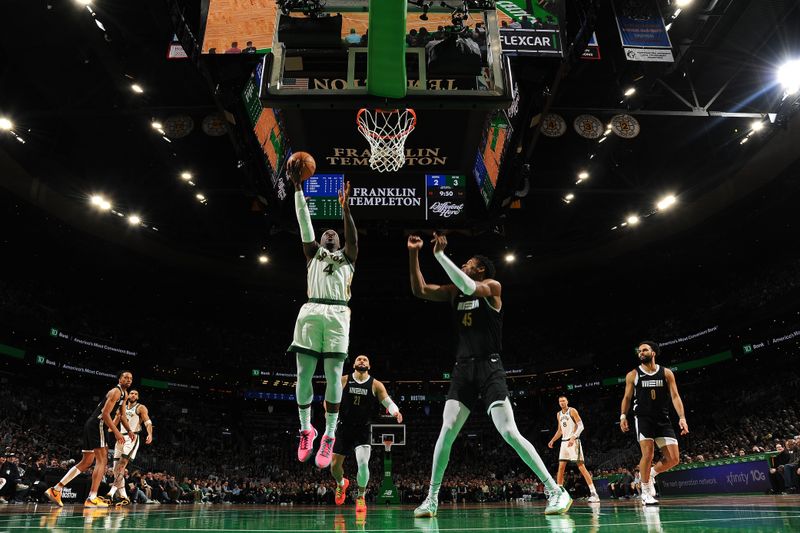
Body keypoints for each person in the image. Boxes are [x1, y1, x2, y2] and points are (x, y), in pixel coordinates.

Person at [408, 233, 571, 517]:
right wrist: (414, 254)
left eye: (468, 262)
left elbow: (470, 286)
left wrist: (439, 256)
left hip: (490, 366)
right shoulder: (454, 292)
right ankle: (431, 498)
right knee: (446, 432)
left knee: (508, 431)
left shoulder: (492, 287)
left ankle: (555, 490)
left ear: (480, 268)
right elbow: (420, 289)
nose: (464, 264)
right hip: (462, 369)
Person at [287, 161, 358, 469]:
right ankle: (306, 428)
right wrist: (299, 188)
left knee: (332, 377)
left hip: (338, 313)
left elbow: (353, 239)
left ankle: (328, 434)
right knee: (303, 374)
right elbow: (304, 223)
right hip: (312, 308)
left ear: (339, 242)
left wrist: (346, 210)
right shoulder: (312, 253)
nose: (329, 234)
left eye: (334, 233)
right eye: (325, 232)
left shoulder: (348, 258)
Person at [45, 371, 135, 507]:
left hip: (92, 424)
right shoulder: (115, 392)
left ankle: (56, 489)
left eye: (130, 378)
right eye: (125, 377)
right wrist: (117, 432)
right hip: (98, 424)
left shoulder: (125, 394)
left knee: (86, 461)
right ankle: (91, 497)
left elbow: (122, 415)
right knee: (102, 460)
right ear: (119, 379)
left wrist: (129, 430)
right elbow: (105, 414)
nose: (128, 380)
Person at [330, 354, 403, 514]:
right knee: (334, 466)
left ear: (369, 366)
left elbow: (387, 401)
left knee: (363, 464)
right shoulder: (343, 380)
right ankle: (341, 483)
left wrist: (395, 411)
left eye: (365, 360)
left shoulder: (376, 385)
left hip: (363, 429)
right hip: (344, 427)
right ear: (354, 364)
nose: (361, 360)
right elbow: (331, 397)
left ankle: (361, 496)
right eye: (359, 359)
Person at [620, 341, 688, 505]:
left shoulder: (666, 373)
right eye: (639, 351)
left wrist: (682, 417)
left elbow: (675, 396)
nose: (641, 353)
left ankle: (650, 473)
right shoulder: (633, 374)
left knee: (673, 459)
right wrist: (623, 416)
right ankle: (645, 491)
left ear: (653, 352)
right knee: (648, 454)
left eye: (644, 350)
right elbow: (627, 397)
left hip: (662, 419)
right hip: (643, 418)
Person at [106, 389, 153, 506]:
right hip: (120, 438)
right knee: (115, 469)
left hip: (132, 438)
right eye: (131, 393)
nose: (133, 395)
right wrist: (114, 420)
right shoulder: (121, 408)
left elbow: (148, 422)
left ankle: (110, 494)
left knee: (122, 465)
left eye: (136, 394)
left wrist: (150, 434)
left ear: (138, 396)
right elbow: (111, 427)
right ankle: (124, 497)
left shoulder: (141, 407)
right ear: (127, 396)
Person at [547, 395, 599, 502]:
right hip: (564, 443)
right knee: (561, 467)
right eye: (560, 401)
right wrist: (552, 440)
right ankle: (559, 493)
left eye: (563, 401)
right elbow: (560, 430)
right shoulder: (558, 414)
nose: (562, 402)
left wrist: (573, 437)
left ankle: (594, 493)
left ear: (567, 402)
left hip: (574, 441)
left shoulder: (572, 411)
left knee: (581, 467)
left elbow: (581, 426)